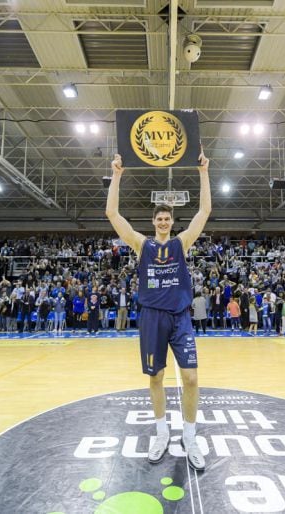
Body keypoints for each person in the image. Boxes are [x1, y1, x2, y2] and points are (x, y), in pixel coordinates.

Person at [105, 150, 210, 471]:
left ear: (172, 222)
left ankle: (189, 437)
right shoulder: (142, 245)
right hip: (151, 316)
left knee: (190, 378)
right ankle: (162, 432)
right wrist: (117, 174)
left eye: (167, 218)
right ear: (153, 223)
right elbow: (112, 214)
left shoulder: (181, 243)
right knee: (157, 378)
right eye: (159, 219)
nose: (163, 222)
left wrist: (203, 171)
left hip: (179, 317)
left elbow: (205, 210)